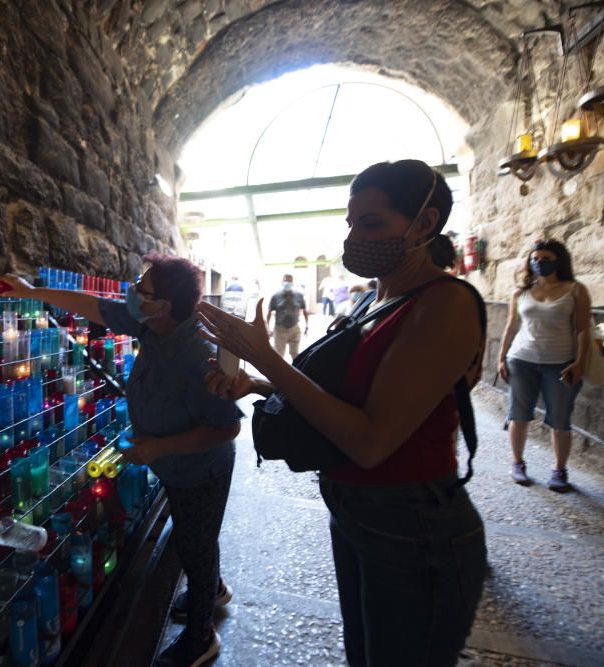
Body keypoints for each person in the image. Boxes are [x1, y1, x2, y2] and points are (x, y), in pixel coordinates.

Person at [197, 160, 487, 667]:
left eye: (371, 224)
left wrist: (266, 355)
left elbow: (371, 441)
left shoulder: (445, 303)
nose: (355, 237)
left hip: (412, 525)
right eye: (351, 223)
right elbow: (343, 403)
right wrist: (255, 383)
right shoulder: (378, 298)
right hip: (356, 512)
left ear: (424, 223)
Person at [1, 255, 242, 667]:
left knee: (194, 541)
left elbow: (226, 429)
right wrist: (31, 292)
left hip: (200, 470)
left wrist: (157, 449)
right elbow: (92, 305)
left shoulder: (197, 354)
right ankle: (212, 587)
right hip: (172, 466)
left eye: (140, 288)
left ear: (162, 305)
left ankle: (201, 637)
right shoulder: (152, 323)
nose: (131, 292)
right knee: (196, 532)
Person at [497, 239, 590, 491]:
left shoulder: (576, 289)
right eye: (535, 259)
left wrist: (580, 362)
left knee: (560, 418)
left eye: (546, 259)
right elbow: (511, 326)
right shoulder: (521, 292)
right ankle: (517, 463)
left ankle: (559, 470)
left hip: (560, 363)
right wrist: (501, 357)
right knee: (519, 414)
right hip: (521, 359)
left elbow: (583, 329)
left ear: (559, 261)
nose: (539, 263)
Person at [266, 274, 309, 359]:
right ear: (282, 282)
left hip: (294, 328)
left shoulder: (299, 296)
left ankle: (295, 371)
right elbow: (269, 312)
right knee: (279, 355)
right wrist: (268, 328)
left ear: (292, 282)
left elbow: (304, 311)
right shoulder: (276, 296)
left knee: (295, 354)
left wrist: (307, 326)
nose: (287, 283)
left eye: (290, 281)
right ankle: (279, 371)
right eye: (286, 280)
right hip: (280, 329)